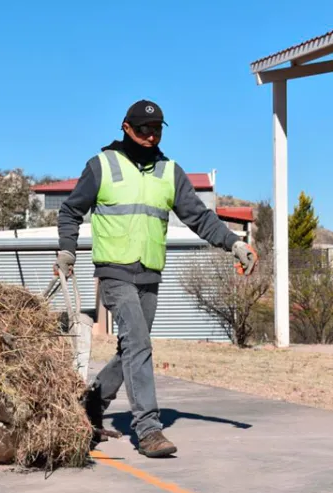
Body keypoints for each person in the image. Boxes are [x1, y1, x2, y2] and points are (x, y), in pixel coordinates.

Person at [54, 100, 258, 458]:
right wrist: (67, 250)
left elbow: (199, 217)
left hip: (150, 273)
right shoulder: (102, 166)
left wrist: (234, 243)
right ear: (125, 127)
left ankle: (89, 405)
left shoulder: (170, 172)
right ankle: (148, 429)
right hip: (114, 272)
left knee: (132, 347)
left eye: (157, 129)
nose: (151, 136)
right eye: (144, 129)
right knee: (139, 343)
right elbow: (71, 209)